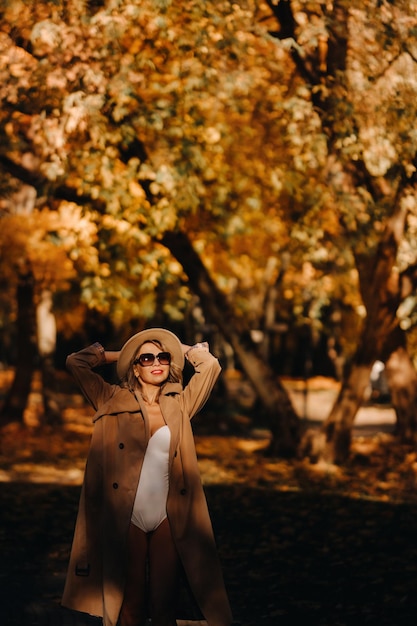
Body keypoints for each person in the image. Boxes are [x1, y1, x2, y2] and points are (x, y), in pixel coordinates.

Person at [61, 328, 233, 626]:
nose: (157, 362)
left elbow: (211, 366)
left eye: (163, 357)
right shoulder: (109, 398)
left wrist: (178, 348)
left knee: (164, 604)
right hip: (126, 515)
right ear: (135, 368)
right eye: (147, 358)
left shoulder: (180, 403)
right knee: (131, 607)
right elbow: (76, 362)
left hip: (169, 515)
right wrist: (123, 352)